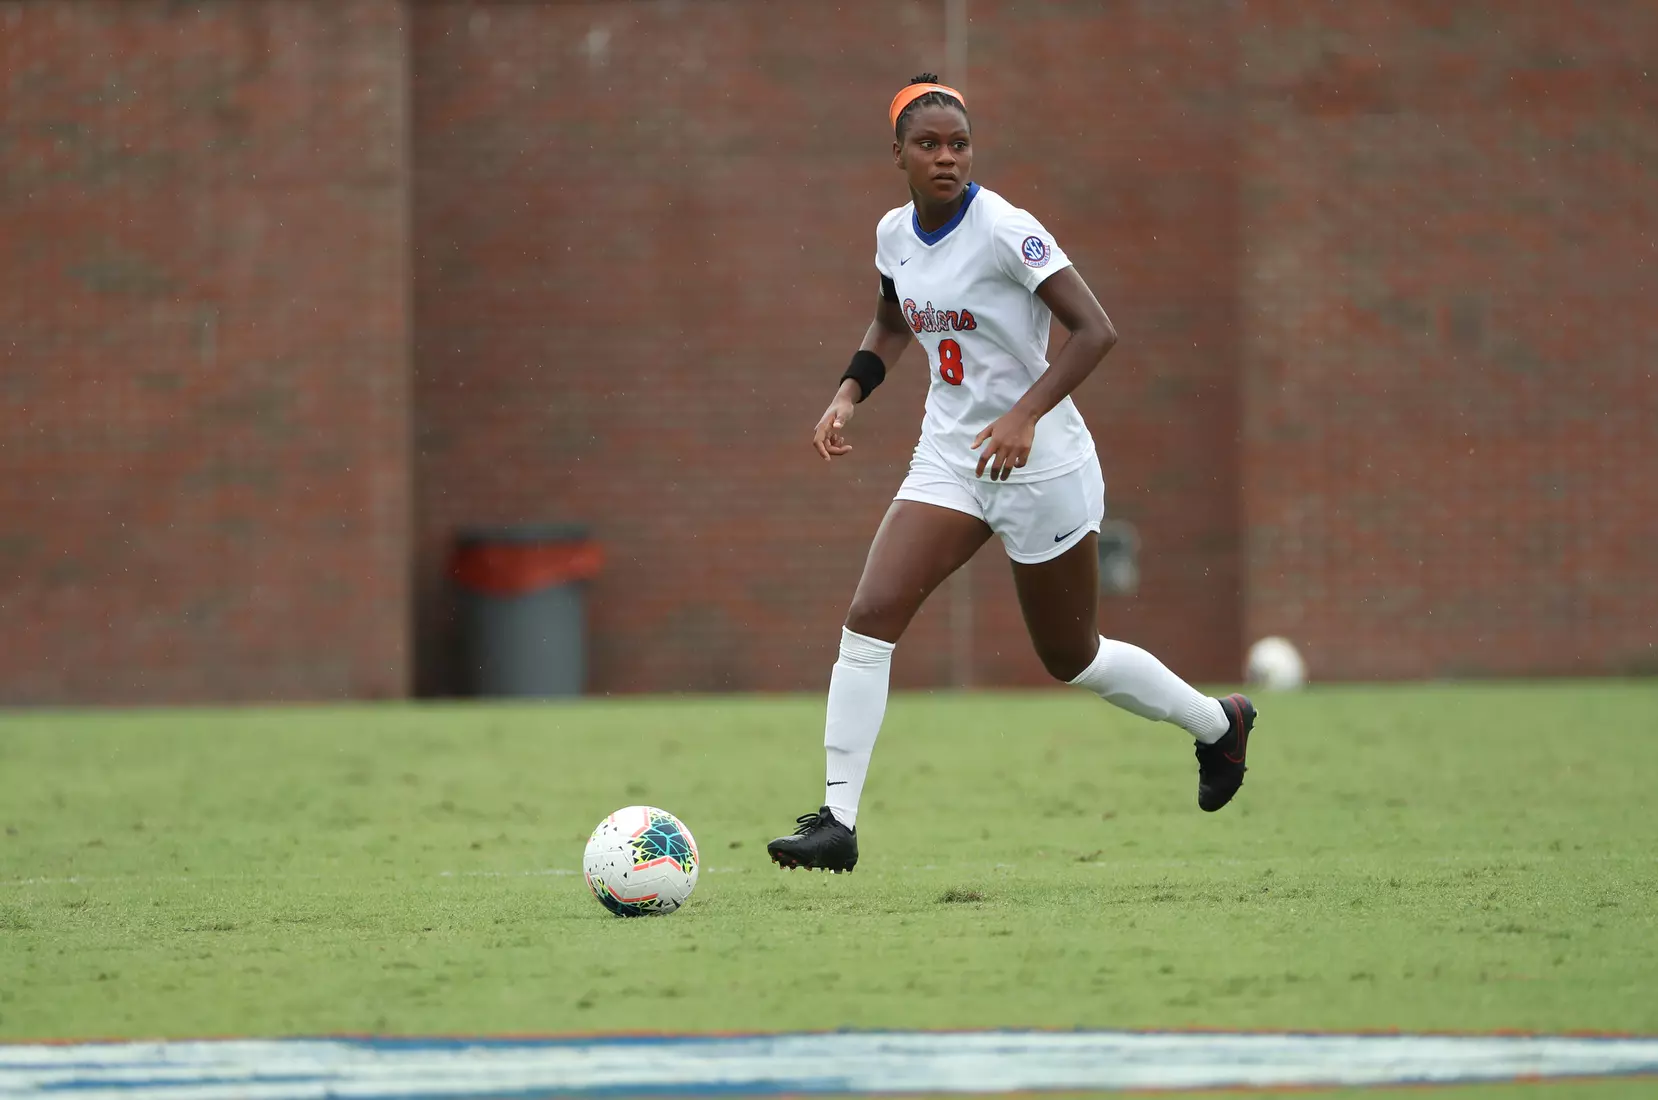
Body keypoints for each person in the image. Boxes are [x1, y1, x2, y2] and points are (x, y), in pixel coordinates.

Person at [767, 75, 1256, 874]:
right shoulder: (892, 234)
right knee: (869, 616)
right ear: (897, 154)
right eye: (928, 145)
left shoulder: (1005, 230)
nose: (946, 158)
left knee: (1072, 657)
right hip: (950, 457)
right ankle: (837, 823)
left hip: (1042, 467)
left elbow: (1096, 331)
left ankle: (1218, 724)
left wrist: (1025, 415)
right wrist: (849, 392)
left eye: (959, 144)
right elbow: (891, 321)